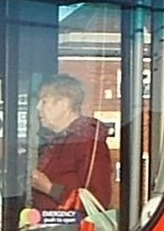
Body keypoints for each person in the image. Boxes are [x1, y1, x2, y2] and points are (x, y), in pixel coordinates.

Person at [30, 75, 113, 212]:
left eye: (44, 102)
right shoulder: (53, 142)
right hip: (46, 228)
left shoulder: (88, 142)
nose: (38, 107)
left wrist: (49, 188)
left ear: (64, 104)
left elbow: (98, 200)